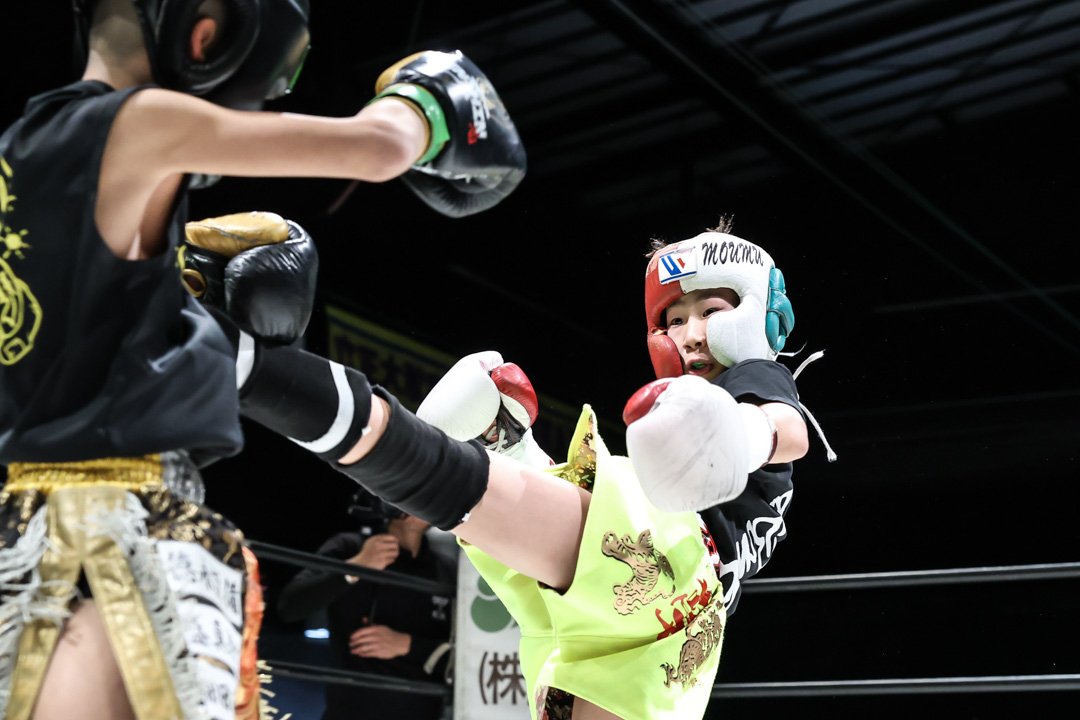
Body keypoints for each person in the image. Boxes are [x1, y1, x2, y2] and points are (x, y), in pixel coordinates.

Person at [0, 0, 524, 718]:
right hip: (122, 523)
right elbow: (375, 148)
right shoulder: (138, 122)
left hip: (23, 529)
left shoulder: (21, 154)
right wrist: (429, 103)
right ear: (206, 34)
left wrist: (166, 291)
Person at [406, 220, 814, 720]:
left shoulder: (754, 376)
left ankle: (480, 453)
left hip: (685, 569)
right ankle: (509, 450)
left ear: (759, 315)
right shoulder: (686, 410)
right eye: (675, 320)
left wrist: (743, 434)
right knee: (557, 626)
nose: (691, 335)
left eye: (711, 311)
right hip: (676, 601)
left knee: (602, 525)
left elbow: (792, 433)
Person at [277, 502, 454, 720]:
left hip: (423, 711)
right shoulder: (351, 547)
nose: (419, 500)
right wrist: (354, 568)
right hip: (350, 711)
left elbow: (467, 656)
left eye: (428, 495)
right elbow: (289, 607)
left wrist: (408, 645)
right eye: (411, 492)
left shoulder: (447, 570)